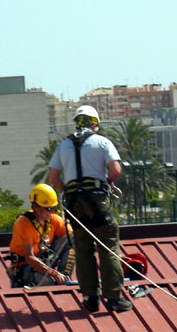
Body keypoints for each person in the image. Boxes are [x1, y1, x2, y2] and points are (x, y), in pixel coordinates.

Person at [48, 105, 132, 313]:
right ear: (94, 123)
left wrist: (71, 190)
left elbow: (53, 178)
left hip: (74, 204)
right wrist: (107, 183)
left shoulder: (63, 145)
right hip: (97, 202)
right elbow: (115, 169)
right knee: (108, 246)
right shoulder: (102, 142)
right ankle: (113, 298)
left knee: (83, 251)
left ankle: (90, 299)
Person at [7, 184, 74, 287]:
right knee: (49, 282)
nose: (52, 212)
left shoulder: (53, 219)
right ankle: (58, 280)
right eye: (48, 209)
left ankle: (64, 278)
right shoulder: (23, 223)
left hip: (45, 262)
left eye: (54, 208)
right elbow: (29, 257)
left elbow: (72, 237)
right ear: (36, 207)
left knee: (72, 239)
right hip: (26, 267)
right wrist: (54, 273)